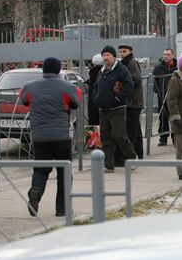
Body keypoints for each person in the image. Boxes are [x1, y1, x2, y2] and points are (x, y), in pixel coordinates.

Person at [19, 57, 81, 217]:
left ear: (43, 70)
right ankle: (62, 209)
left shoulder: (30, 87)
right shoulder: (67, 86)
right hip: (61, 137)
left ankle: (36, 191)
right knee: (64, 172)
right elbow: (76, 103)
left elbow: (24, 100)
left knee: (41, 169)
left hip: (39, 137)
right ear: (59, 70)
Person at [93, 45, 137, 173]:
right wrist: (96, 98)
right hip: (103, 109)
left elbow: (129, 86)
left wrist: (118, 98)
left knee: (119, 135)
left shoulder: (121, 70)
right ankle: (109, 165)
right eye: (104, 55)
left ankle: (132, 157)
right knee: (105, 138)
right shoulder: (102, 71)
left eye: (108, 55)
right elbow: (96, 86)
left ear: (114, 56)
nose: (106, 58)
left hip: (117, 108)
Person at [118, 44, 144, 159]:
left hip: (132, 101)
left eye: (125, 51)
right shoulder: (125, 63)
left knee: (131, 130)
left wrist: (123, 82)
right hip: (133, 101)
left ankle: (131, 155)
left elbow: (136, 79)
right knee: (136, 129)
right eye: (121, 51)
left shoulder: (131, 62)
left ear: (130, 51)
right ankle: (139, 152)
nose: (122, 53)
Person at [152, 48, 177, 146]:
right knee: (163, 118)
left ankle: (175, 138)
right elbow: (154, 83)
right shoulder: (158, 68)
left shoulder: (178, 67)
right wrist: (159, 91)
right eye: (164, 54)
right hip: (162, 97)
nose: (165, 56)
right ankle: (163, 138)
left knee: (175, 117)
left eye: (168, 54)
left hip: (175, 97)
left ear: (173, 55)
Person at [87, 53, 104, 126]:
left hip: (92, 104)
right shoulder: (105, 72)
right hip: (103, 105)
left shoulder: (93, 73)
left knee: (93, 129)